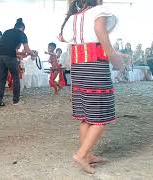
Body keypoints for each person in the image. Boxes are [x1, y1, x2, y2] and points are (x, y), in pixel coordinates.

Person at [59, 0, 123, 174]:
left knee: (86, 117)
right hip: (95, 66)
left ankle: (87, 154)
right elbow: (100, 33)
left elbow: (62, 37)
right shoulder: (98, 12)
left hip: (79, 67)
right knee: (100, 117)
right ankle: (81, 154)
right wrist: (115, 58)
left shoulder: (73, 17)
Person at [0, 18, 37, 108]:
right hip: (10, 57)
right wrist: (34, 54)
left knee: (2, 80)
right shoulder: (22, 34)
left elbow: (0, 44)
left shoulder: (6, 32)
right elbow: (27, 49)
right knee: (16, 77)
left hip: (0, 56)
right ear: (22, 28)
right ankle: (16, 101)